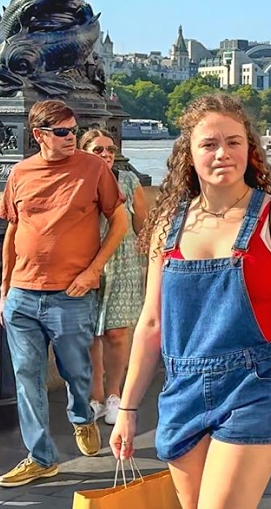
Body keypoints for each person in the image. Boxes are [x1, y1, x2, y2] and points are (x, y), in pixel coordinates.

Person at [110, 93, 271, 508]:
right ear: (189, 153)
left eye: (233, 142)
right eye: (209, 144)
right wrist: (127, 407)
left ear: (250, 149)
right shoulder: (168, 224)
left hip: (254, 385)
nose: (222, 154)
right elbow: (152, 323)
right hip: (182, 389)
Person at [0, 100, 128, 488]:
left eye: (73, 130)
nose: (72, 137)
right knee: (27, 378)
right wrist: (5, 290)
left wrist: (92, 271)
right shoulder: (19, 173)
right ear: (39, 135)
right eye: (62, 132)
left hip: (70, 295)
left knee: (77, 372)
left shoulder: (94, 168)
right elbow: (10, 232)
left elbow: (118, 221)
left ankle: (82, 416)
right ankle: (41, 457)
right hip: (22, 294)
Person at [80, 129, 148, 427]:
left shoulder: (129, 180)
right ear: (84, 152)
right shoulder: (78, 183)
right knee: (91, 333)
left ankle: (114, 395)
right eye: (98, 150)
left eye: (110, 150)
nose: (106, 155)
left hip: (123, 264)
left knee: (117, 333)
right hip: (87, 262)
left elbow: (142, 223)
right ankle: (94, 396)